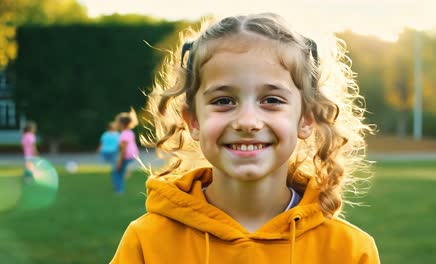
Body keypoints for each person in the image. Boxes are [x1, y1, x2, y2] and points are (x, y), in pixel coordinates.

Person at [111, 13, 379, 263]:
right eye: (224, 100)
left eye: (271, 100)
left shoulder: (348, 250)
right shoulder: (147, 241)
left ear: (306, 119)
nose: (247, 122)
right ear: (193, 120)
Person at [113, 109, 139, 194]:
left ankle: (119, 191)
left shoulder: (123, 135)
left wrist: (120, 162)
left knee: (117, 172)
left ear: (121, 124)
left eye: (117, 122)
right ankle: (120, 189)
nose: (115, 123)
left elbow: (123, 150)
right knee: (121, 171)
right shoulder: (130, 132)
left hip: (127, 155)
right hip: (133, 154)